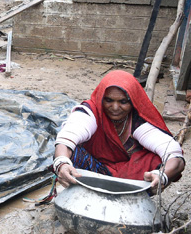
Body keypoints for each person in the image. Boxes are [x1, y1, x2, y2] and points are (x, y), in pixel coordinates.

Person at [53, 70, 184, 193]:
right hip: (95, 170)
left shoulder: (138, 121)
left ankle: (134, 198)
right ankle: (81, 193)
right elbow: (66, 139)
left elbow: (174, 154)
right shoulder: (91, 112)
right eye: (109, 100)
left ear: (132, 101)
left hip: (130, 176)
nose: (115, 108)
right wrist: (62, 164)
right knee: (69, 153)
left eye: (123, 102)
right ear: (101, 98)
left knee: (158, 160)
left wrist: (161, 176)